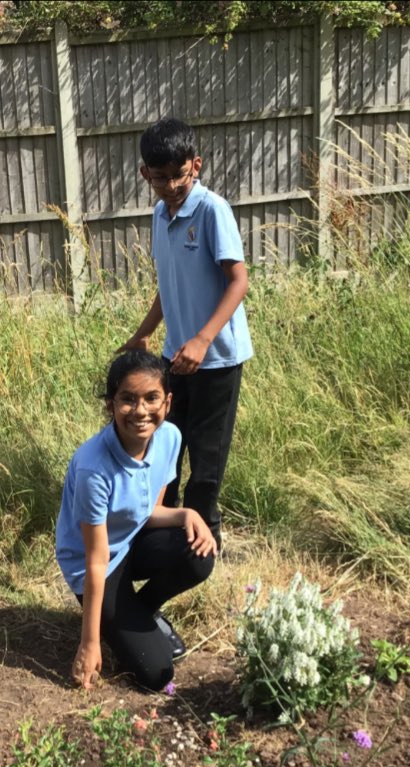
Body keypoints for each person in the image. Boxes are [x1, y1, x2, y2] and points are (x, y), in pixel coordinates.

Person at [121, 117, 251, 546]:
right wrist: (144, 333)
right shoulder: (160, 214)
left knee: (206, 459)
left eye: (179, 174)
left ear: (196, 165)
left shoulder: (213, 210)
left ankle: (204, 545)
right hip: (174, 358)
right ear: (145, 174)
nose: (172, 185)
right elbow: (170, 284)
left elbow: (238, 281)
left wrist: (202, 339)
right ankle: (167, 536)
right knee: (165, 451)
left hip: (217, 360)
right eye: (160, 177)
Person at [55, 350, 217, 692]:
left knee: (199, 554)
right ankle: (116, 620)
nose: (141, 410)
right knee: (157, 673)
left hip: (131, 540)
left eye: (151, 398)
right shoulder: (94, 468)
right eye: (128, 399)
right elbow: (96, 558)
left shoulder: (170, 437)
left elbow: (147, 514)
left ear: (167, 402)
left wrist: (187, 514)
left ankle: (141, 611)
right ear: (111, 405)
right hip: (95, 564)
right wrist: (90, 642)